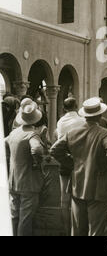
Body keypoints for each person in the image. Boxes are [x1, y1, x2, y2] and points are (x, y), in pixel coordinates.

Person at [50, 97, 107, 236]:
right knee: (96, 230)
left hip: (77, 185)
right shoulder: (105, 134)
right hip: (97, 187)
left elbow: (54, 150)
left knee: (78, 229)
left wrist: (72, 163)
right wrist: (106, 169)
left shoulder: (73, 133)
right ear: (99, 115)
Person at [5, 101, 45, 236]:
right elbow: (37, 150)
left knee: (14, 215)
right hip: (28, 182)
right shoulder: (32, 134)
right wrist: (37, 163)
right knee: (25, 218)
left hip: (13, 180)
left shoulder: (14, 133)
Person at [56, 97, 85, 236]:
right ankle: (76, 231)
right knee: (78, 198)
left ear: (64, 108)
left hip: (64, 162)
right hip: (79, 162)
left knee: (64, 200)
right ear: (76, 105)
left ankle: (65, 231)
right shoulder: (82, 120)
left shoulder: (60, 122)